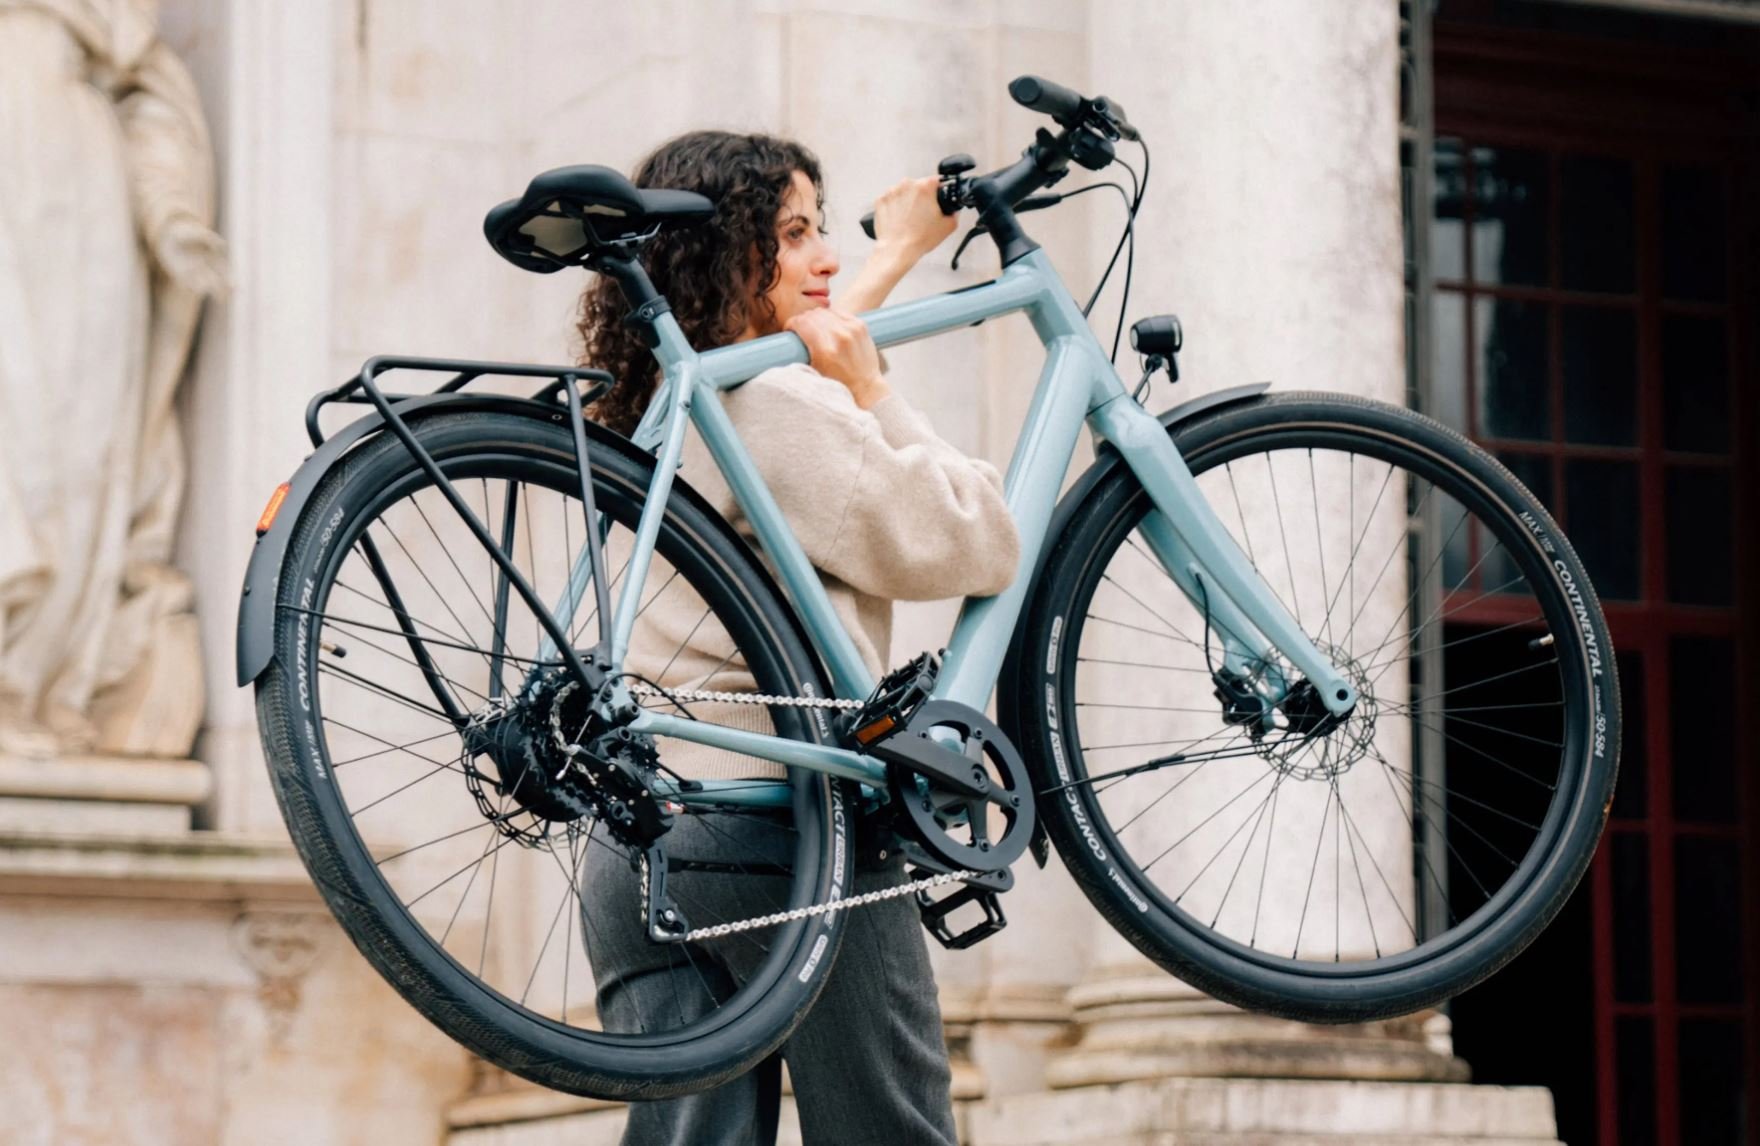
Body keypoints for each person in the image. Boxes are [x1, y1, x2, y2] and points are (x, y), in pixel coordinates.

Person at [576, 131, 1021, 1146]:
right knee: (889, 1132)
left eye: (823, 230)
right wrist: (876, 392)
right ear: (726, 253)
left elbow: (802, 352)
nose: (823, 256)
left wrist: (891, 257)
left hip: (639, 843)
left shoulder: (658, 405)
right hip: (779, 828)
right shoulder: (773, 405)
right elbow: (974, 538)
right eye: (792, 233)